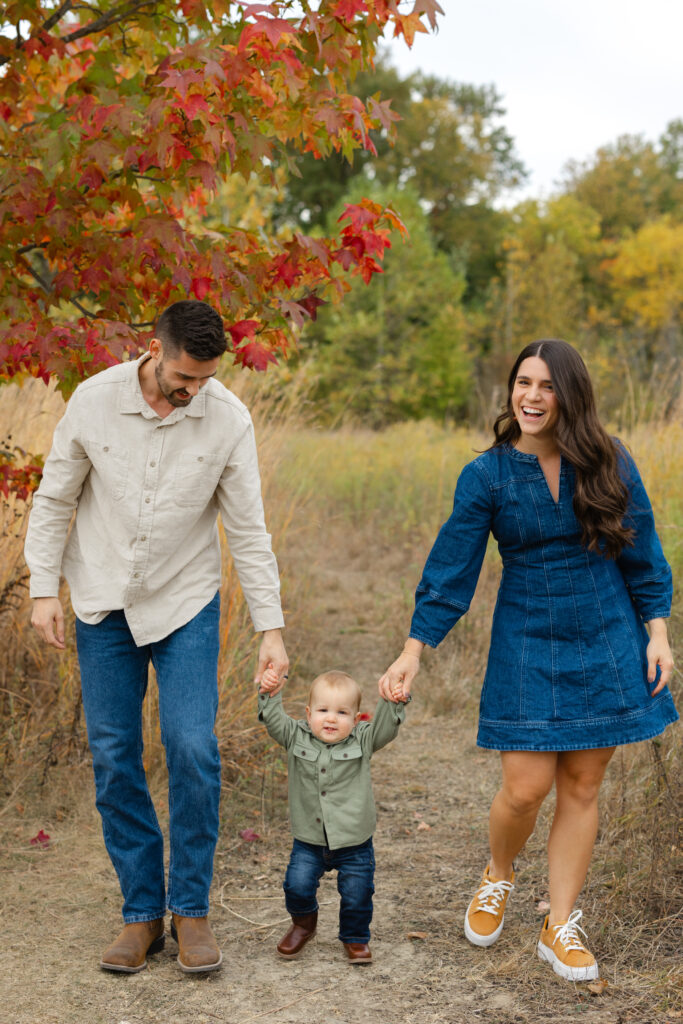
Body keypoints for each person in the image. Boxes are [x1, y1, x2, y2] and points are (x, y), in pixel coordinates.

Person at [378, 339, 677, 982]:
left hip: (607, 635)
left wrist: (657, 631)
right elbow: (451, 569)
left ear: (571, 395)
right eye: (522, 383)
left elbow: (643, 547)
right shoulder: (486, 475)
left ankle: (558, 923)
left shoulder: (608, 459)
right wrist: (413, 652)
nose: (532, 397)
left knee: (583, 785)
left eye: (546, 386)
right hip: (527, 637)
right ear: (510, 390)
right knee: (525, 788)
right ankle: (499, 874)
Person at [25, 300, 289, 974]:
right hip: (101, 600)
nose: (190, 390)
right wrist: (42, 589)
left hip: (184, 602)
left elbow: (249, 531)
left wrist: (271, 628)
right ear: (154, 347)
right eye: (181, 376)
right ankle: (141, 914)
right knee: (114, 755)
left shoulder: (227, 418)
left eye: (202, 380)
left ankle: (190, 910)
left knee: (192, 746)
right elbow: (55, 498)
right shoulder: (92, 401)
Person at [258, 667, 408, 963]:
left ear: (355, 718)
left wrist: (393, 702)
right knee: (296, 885)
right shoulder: (295, 737)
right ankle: (303, 923)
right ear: (308, 712)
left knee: (357, 893)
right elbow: (274, 720)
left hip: (354, 840)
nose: (330, 718)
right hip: (309, 839)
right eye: (323, 710)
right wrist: (269, 692)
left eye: (341, 712)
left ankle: (354, 938)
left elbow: (386, 729)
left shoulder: (362, 741)